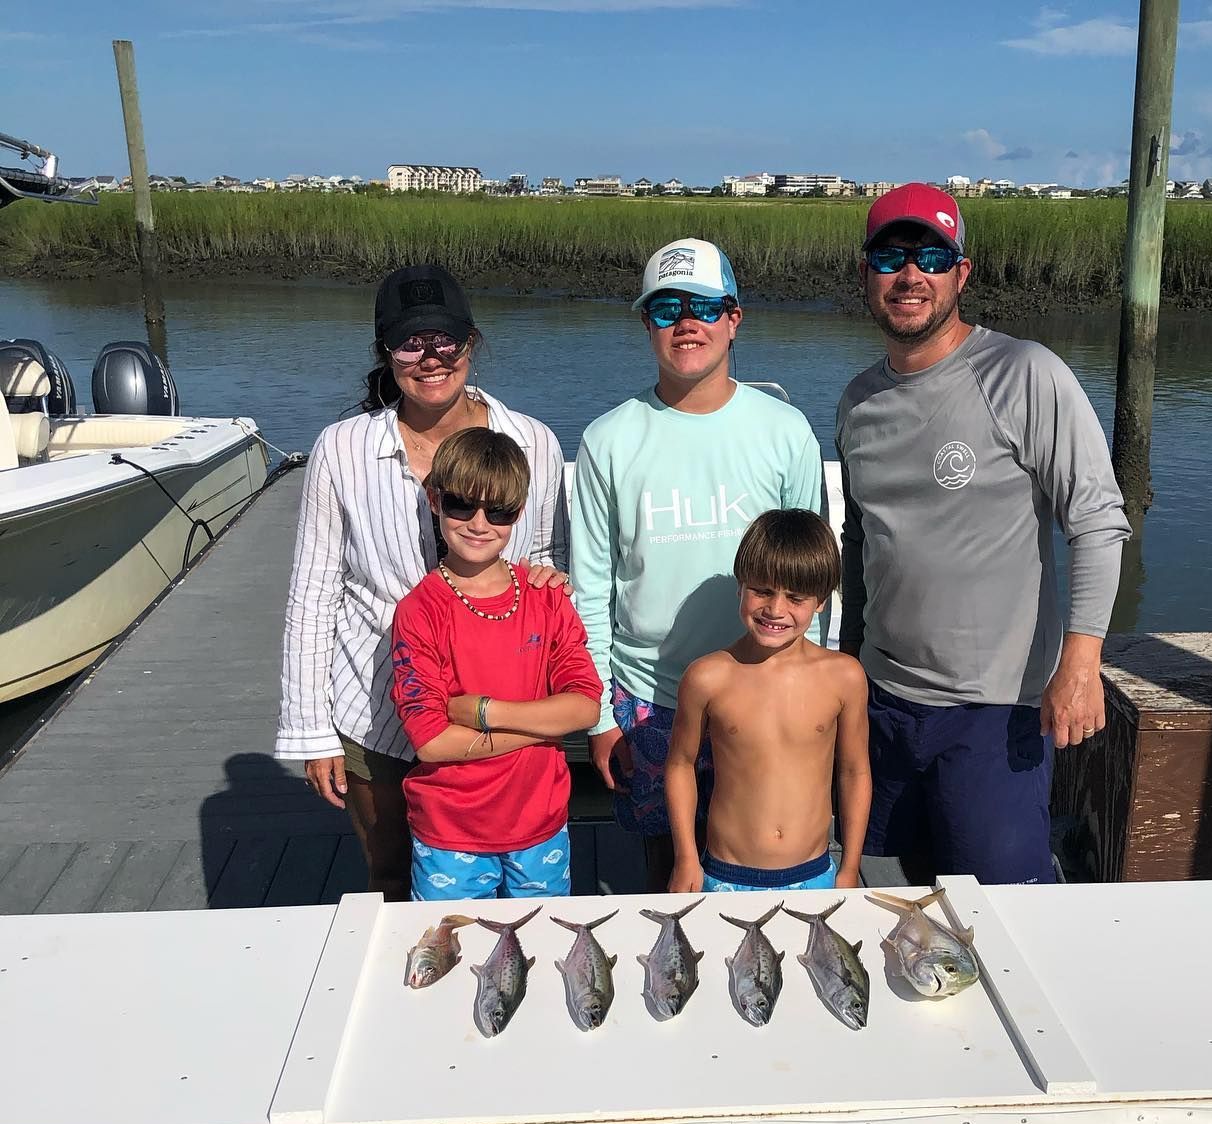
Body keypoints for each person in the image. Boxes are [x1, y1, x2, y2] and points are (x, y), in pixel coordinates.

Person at [837, 183, 1132, 886]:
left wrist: (1081, 665)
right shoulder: (856, 402)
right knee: (886, 891)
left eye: (931, 256)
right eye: (891, 256)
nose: (910, 275)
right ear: (866, 275)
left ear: (960, 273)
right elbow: (860, 545)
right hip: (882, 701)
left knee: (1000, 910)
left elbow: (1096, 518)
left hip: (995, 712)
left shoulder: (1024, 372)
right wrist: (846, 664)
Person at [276, 264, 569, 902]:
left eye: (446, 340)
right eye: (411, 342)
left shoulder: (534, 443)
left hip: (493, 708)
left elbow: (543, 556)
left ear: (472, 341)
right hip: (373, 704)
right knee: (387, 876)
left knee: (510, 881)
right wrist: (310, 729)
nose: (430, 358)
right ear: (387, 351)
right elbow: (314, 591)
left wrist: (553, 587)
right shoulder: (341, 447)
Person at [570, 238, 825, 888]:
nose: (687, 323)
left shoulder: (785, 430)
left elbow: (816, 578)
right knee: (668, 866)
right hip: (648, 698)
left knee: (764, 851)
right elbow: (592, 588)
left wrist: (810, 689)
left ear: (734, 318)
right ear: (647, 325)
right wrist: (601, 716)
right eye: (666, 309)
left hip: (768, 690)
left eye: (704, 307)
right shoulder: (607, 439)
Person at [389, 429, 601, 900]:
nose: (479, 524)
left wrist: (484, 711)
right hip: (450, 832)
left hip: (541, 822)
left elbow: (585, 707)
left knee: (544, 955)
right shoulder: (419, 611)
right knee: (452, 960)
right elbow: (434, 743)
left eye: (499, 510)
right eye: (462, 504)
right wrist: (545, 726)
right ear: (434, 500)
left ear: (519, 513)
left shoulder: (547, 595)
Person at [665, 510, 870, 894]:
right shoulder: (707, 676)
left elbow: (854, 772)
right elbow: (680, 764)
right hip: (724, 875)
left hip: (815, 874)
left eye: (795, 598)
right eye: (762, 590)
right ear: (741, 586)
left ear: (821, 601)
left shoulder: (845, 676)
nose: (776, 610)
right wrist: (686, 857)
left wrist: (850, 866)